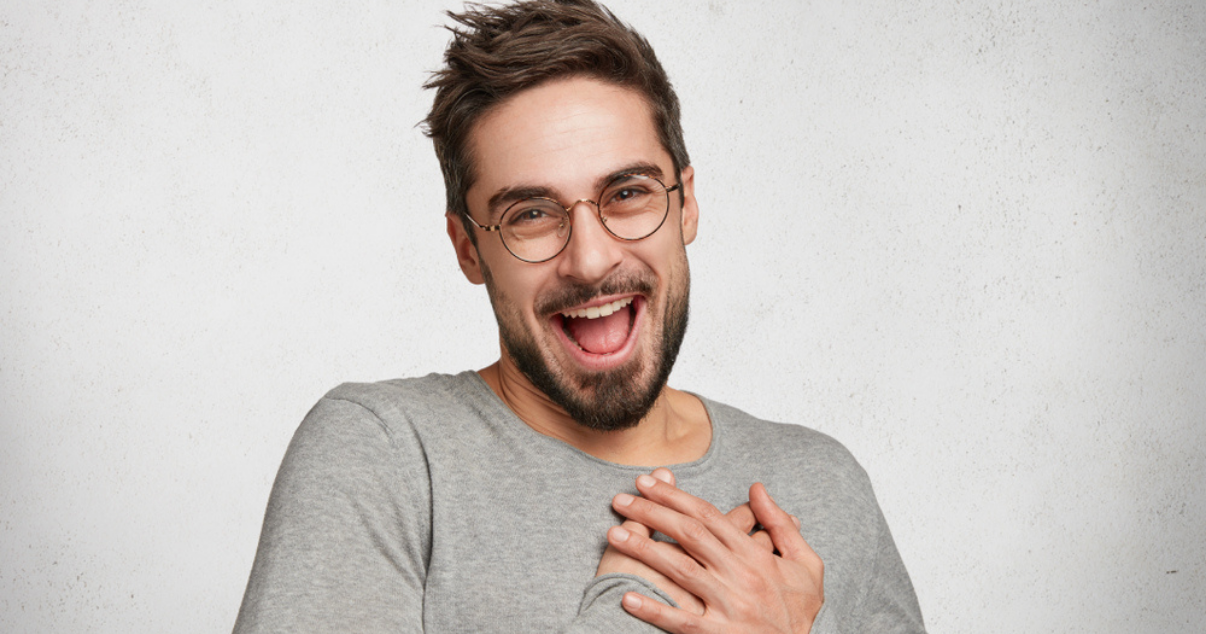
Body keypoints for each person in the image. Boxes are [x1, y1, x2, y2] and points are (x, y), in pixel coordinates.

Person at [234, 1, 925, 632]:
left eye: (627, 193)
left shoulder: (822, 484)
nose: (591, 261)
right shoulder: (386, 457)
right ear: (469, 248)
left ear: (686, 204)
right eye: (531, 213)